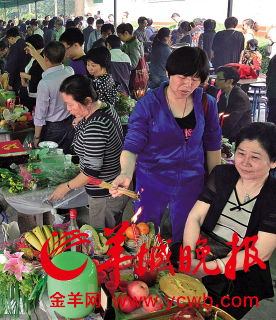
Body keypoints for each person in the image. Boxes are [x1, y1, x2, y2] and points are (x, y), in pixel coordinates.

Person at [110, 47, 222, 243]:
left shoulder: (206, 103)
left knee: (188, 238)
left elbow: (213, 145)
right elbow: (132, 144)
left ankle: (183, 271)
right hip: (152, 181)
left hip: (191, 182)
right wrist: (126, 173)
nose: (188, 85)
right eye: (182, 77)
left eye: (195, 80)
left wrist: (216, 185)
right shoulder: (149, 104)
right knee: (144, 236)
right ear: (169, 72)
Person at [182, 122, 276, 319]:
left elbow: (262, 252)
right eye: (241, 154)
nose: (244, 162)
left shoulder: (273, 196)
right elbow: (196, 216)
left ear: (273, 161)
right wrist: (189, 255)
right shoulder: (222, 174)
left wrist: (208, 269)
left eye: (255, 157)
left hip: (241, 270)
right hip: (204, 251)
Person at [49, 74, 126, 228]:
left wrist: (66, 187)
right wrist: (82, 119)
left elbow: (90, 174)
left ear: (88, 101)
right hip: (115, 185)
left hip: (105, 195)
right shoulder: (105, 108)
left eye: (71, 105)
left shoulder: (95, 127)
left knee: (103, 242)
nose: (68, 109)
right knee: (112, 236)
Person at [33, 41, 75, 153]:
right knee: (66, 159)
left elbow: (40, 114)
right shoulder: (70, 72)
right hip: (69, 124)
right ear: (64, 56)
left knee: (50, 161)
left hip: (53, 128)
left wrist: (37, 137)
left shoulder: (45, 83)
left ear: (45, 58)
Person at [214, 66, 252, 142]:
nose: (216, 81)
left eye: (219, 79)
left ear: (230, 81)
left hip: (239, 136)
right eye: (216, 78)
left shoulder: (239, 98)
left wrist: (215, 134)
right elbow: (217, 112)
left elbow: (231, 122)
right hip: (230, 133)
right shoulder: (224, 94)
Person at [19, 35, 45, 110]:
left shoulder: (42, 59)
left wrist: (27, 76)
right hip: (28, 92)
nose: (26, 51)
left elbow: (42, 78)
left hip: (37, 95)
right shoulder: (31, 57)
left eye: (28, 48)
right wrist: (23, 78)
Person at [5, 27, 29, 93]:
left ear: (11, 38)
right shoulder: (26, 44)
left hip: (17, 79)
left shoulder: (14, 47)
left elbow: (12, 66)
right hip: (27, 77)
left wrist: (11, 82)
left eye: (8, 39)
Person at [266, 55, 276, 124]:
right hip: (273, 93)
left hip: (272, 93)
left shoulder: (274, 58)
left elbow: (268, 75)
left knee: (272, 120)